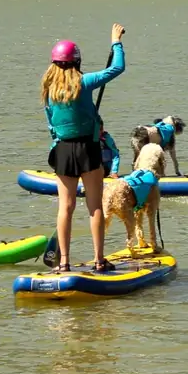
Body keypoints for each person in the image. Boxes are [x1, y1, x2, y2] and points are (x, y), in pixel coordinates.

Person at [41, 23, 127, 273]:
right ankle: (99, 260)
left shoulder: (48, 90)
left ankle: (64, 262)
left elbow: (51, 124)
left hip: (63, 151)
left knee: (65, 207)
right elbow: (117, 68)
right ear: (77, 62)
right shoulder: (85, 82)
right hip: (88, 150)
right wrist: (115, 41)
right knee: (95, 206)